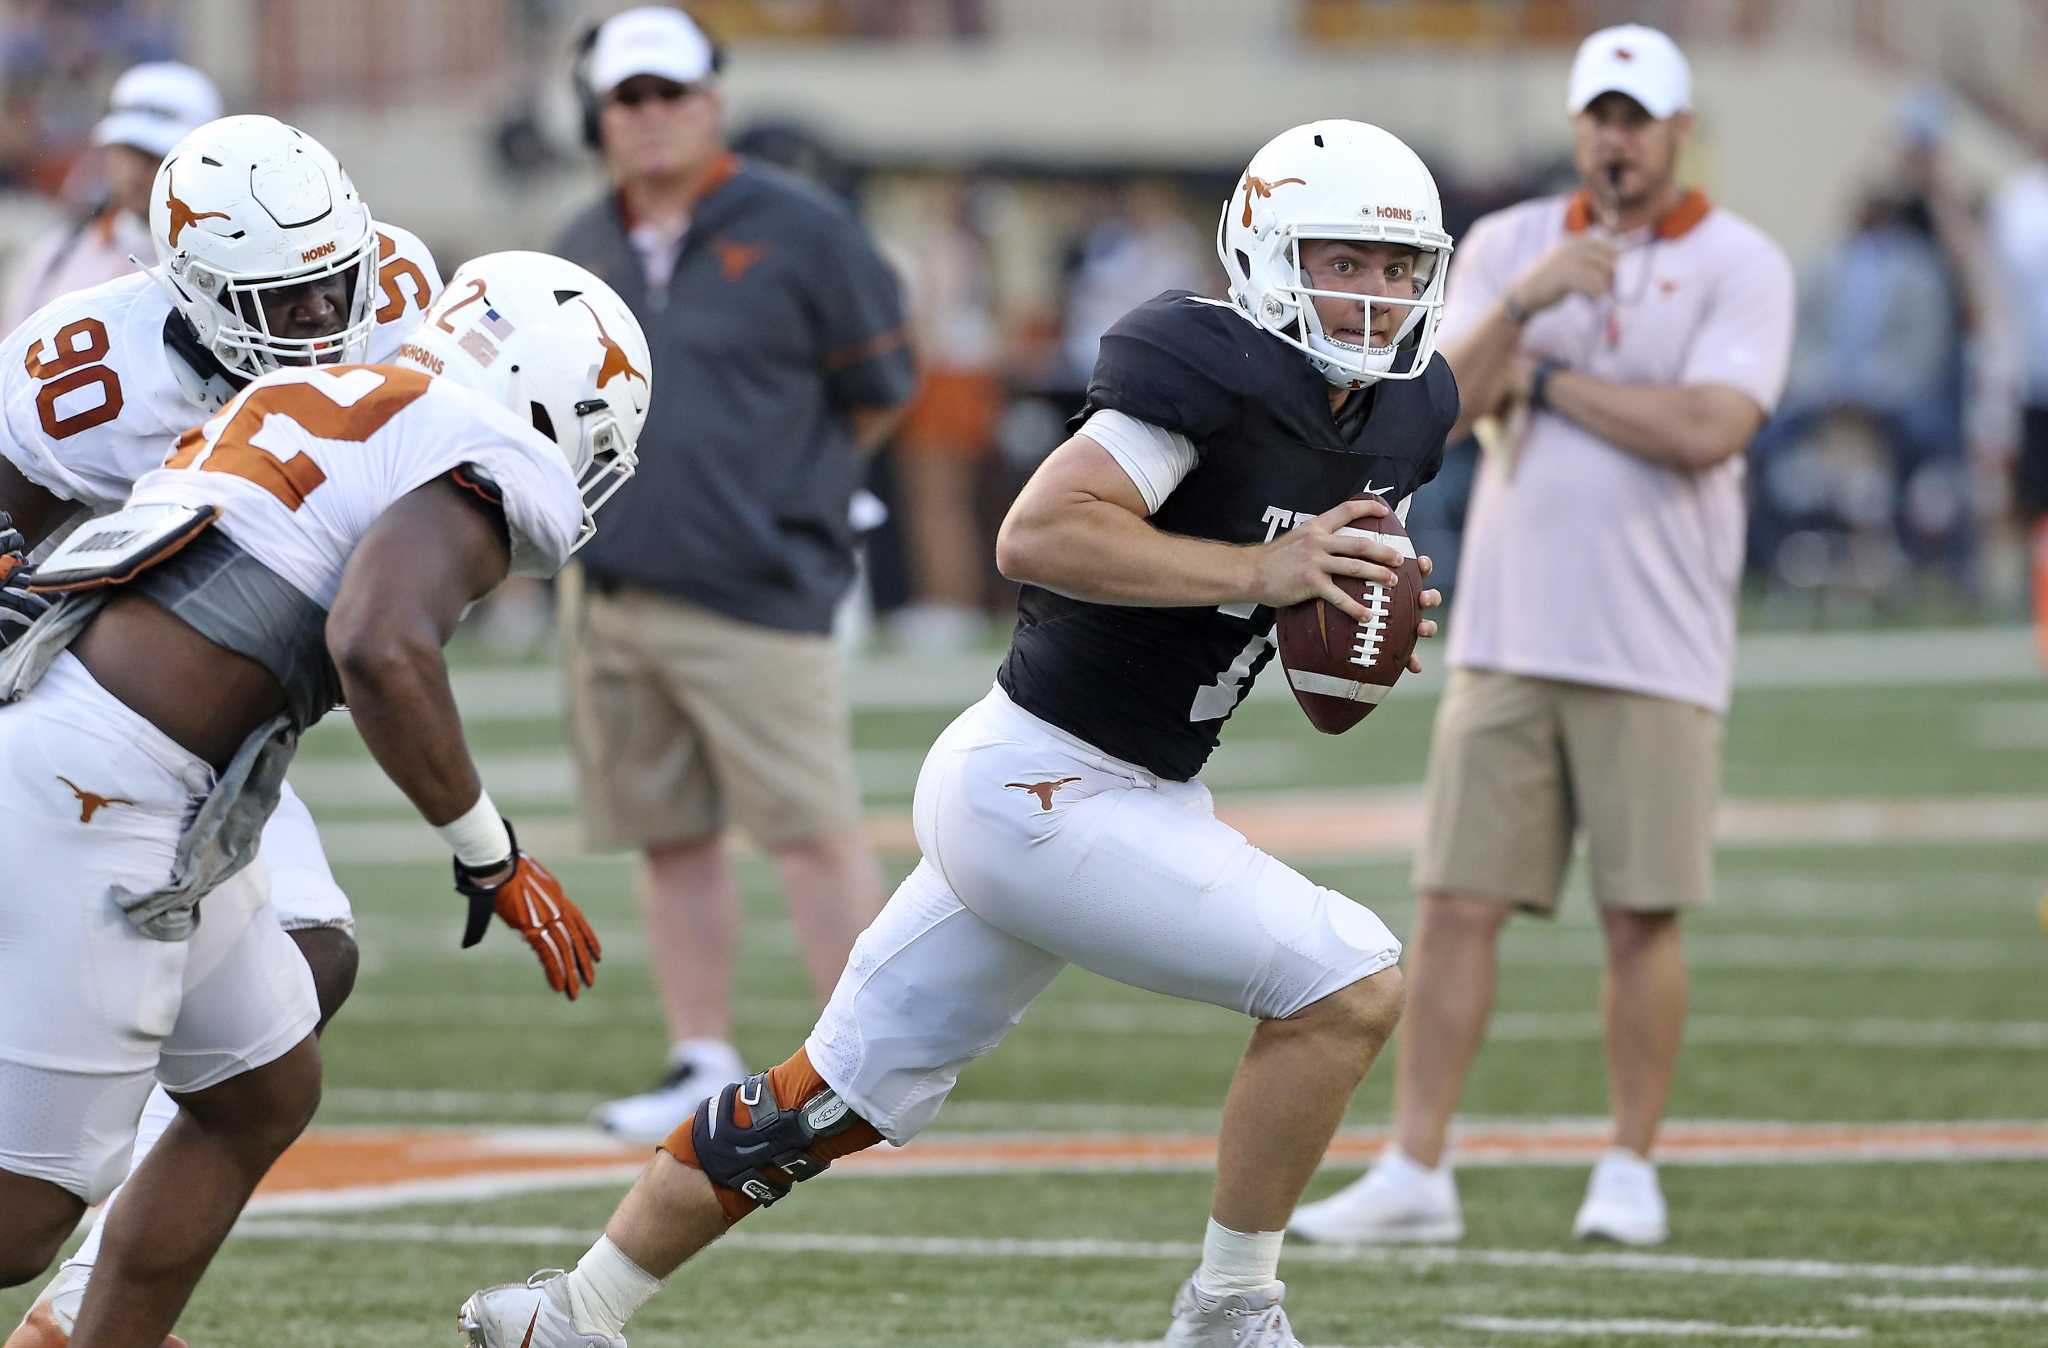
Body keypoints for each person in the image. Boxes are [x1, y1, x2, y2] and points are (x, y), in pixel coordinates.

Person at [457, 117, 1456, 1348]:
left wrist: (1351, 620)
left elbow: (1299, 606)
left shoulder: (1414, 410)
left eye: (1395, 267)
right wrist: (1262, 569)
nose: (1372, 294)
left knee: (824, 1102)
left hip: (1105, 786)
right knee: (1348, 978)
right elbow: (1034, 535)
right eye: (1341, 259)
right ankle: (1228, 1314)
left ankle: (568, 1311)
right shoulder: (1203, 363)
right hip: (1043, 783)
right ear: (1261, 254)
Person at [0, 250, 647, 1348]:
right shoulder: (481, 446)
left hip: (120, 757)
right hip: (107, 790)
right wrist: (490, 853)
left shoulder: (327, 386)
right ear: (553, 397)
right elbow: (378, 645)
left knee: (261, 1085)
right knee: (19, 1225)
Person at [1289, 24, 1795, 1250]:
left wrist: (1551, 380)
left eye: (1635, 119)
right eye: (1597, 118)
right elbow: (1432, 412)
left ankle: (1628, 1162)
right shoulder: (1515, 242)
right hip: (1509, 633)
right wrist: (1521, 305)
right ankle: (1416, 1163)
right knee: (1454, 900)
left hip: (1655, 642)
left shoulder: (1740, 261)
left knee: (1640, 912)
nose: (1612, 140)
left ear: (1678, 130)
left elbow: (1708, 427)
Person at [0, 113, 442, 1348]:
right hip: (83, 726)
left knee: (300, 990)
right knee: (31, 1198)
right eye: (280, 301)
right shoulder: (87, 366)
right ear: (189, 287)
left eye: (328, 286)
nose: (317, 323)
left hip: (216, 732)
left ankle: (85, 1316)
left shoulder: (402, 289)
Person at [552, 5, 917, 1141]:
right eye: (629, 99)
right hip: (607, 589)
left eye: (670, 94)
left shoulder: (801, 228)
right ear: (598, 115)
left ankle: (858, 1069)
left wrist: (788, 494)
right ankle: (698, 1052)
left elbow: (884, 382)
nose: (652, 117)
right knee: (669, 835)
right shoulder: (578, 240)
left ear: (712, 99)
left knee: (809, 830)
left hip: (757, 588)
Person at [1, 61, 221, 332]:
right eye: (127, 150)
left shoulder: (233, 263)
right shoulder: (54, 257)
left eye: (157, 154)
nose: (137, 168)